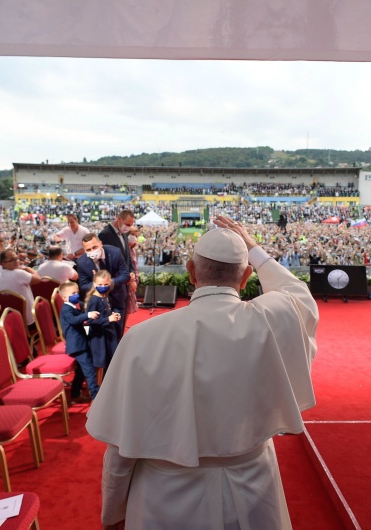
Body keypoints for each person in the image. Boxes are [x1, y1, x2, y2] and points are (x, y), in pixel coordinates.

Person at [86, 215, 318, 530]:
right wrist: (254, 249)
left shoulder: (141, 338)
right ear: (246, 276)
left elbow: (119, 452)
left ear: (191, 272)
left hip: (165, 499)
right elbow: (300, 298)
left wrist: (112, 513)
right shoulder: (269, 322)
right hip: (252, 491)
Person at [76, 234, 130, 338]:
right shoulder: (82, 262)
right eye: (88, 249)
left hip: (116, 298)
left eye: (94, 247)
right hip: (97, 303)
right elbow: (83, 286)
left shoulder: (115, 252)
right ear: (84, 250)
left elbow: (125, 275)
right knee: (102, 334)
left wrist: (109, 282)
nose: (92, 251)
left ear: (100, 244)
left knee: (117, 332)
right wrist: (98, 285)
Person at [57, 281, 100, 404]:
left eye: (77, 292)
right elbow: (74, 320)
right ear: (64, 297)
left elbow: (83, 307)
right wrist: (88, 315)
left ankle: (75, 394)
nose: (77, 295)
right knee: (89, 370)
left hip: (80, 343)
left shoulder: (75, 305)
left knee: (81, 371)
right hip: (77, 345)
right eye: (73, 293)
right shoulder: (66, 309)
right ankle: (96, 397)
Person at [83, 270, 121, 373]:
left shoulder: (105, 296)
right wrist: (108, 319)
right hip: (99, 337)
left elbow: (105, 312)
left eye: (106, 284)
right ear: (94, 284)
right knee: (102, 363)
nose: (103, 286)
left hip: (108, 333)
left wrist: (112, 315)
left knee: (111, 360)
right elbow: (90, 320)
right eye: (100, 284)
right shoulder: (94, 300)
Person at [0, 249, 41, 327]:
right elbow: (38, 279)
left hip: (8, 320)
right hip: (28, 321)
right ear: (3, 264)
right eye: (12, 260)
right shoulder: (18, 273)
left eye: (17, 258)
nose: (16, 261)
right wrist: (27, 269)